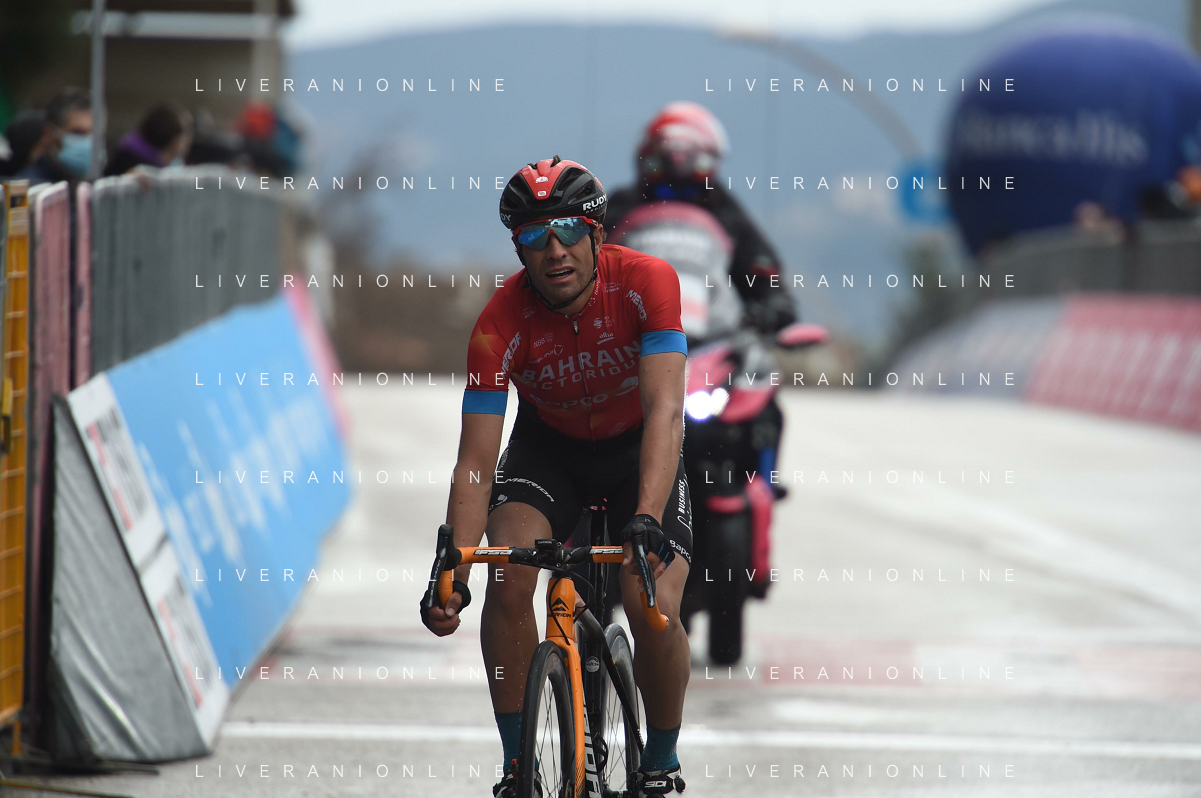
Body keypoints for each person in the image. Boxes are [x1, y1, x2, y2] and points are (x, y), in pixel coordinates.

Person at [422, 156, 692, 798]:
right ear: (518, 248)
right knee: (508, 578)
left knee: (650, 603)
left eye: (568, 230)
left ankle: (660, 760)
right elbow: (476, 460)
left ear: (597, 234)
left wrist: (646, 516)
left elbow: (665, 411)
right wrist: (455, 563)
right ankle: (519, 764)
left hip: (638, 451)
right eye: (533, 237)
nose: (554, 250)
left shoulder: (647, 282)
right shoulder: (497, 325)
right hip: (549, 453)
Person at [604, 101, 798, 334]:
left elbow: (758, 263)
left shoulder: (723, 208)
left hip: (714, 338)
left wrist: (774, 302)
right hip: (627, 337)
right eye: (662, 162)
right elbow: (587, 253)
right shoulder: (623, 205)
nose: (676, 177)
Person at [104, 103, 192, 176]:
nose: (187, 143)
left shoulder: (129, 149)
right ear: (175, 142)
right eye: (184, 137)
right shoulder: (131, 162)